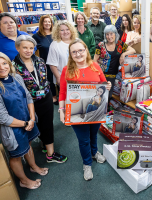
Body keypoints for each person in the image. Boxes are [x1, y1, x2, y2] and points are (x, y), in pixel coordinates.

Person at [0, 51, 48, 189]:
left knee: (28, 144)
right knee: (16, 155)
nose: (2, 67)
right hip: (13, 128)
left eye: (4, 63)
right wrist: (25, 123)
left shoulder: (16, 77)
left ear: (9, 63)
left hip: (27, 121)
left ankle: (33, 166)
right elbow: (2, 117)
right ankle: (23, 180)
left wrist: (31, 118)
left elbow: (28, 97)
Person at [58, 39, 111, 180]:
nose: (78, 54)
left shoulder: (95, 66)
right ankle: (87, 164)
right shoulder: (66, 70)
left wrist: (108, 86)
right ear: (70, 54)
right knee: (83, 140)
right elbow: (62, 93)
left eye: (80, 50)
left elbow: (104, 84)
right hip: (76, 112)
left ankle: (95, 153)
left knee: (93, 135)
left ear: (86, 50)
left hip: (96, 110)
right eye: (74, 52)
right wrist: (61, 111)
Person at [13, 35, 68, 163]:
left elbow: (45, 78)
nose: (28, 50)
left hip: (46, 97)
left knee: (48, 124)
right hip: (29, 102)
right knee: (34, 125)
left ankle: (50, 154)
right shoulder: (13, 66)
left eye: (31, 48)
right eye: (25, 47)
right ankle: (34, 149)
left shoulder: (40, 60)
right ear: (18, 48)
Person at [94, 25, 136, 99]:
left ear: (115, 34)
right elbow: (94, 61)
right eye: (107, 34)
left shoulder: (120, 44)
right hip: (101, 75)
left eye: (111, 34)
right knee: (100, 96)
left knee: (108, 96)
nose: (109, 36)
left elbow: (133, 50)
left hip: (112, 75)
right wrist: (99, 74)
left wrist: (123, 54)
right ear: (105, 35)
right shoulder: (100, 45)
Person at [32, 15, 59, 105]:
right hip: (46, 62)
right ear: (42, 23)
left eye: (49, 22)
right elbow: (33, 51)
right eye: (45, 21)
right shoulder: (36, 36)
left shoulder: (56, 34)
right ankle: (54, 96)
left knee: (60, 78)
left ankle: (62, 95)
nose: (47, 23)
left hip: (59, 60)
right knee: (50, 80)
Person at [47, 21, 78, 94]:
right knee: (67, 100)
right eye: (62, 30)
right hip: (64, 78)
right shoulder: (55, 45)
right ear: (58, 32)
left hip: (79, 76)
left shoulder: (77, 41)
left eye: (67, 29)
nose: (65, 32)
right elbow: (52, 64)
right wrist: (58, 78)